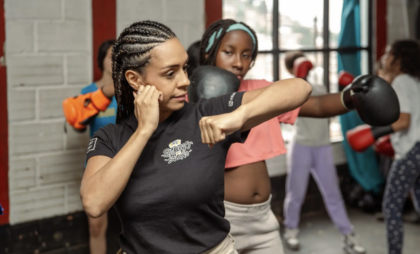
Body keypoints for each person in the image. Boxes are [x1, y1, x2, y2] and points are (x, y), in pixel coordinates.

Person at [80, 20, 313, 254]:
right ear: (135, 80)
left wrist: (239, 116)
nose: (185, 81)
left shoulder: (204, 113)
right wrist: (144, 131)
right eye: (170, 73)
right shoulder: (110, 137)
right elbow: (94, 203)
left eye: (185, 68)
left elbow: (299, 89)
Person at [198, 19, 397, 254]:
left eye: (246, 55)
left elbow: (317, 106)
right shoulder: (197, 99)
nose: (238, 62)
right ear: (211, 52)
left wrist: (352, 97)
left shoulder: (260, 90)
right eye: (229, 52)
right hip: (223, 217)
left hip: (264, 218)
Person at [282, 51, 365, 253]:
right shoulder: (288, 89)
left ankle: (347, 235)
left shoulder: (319, 87)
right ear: (292, 69)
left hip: (323, 147)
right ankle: (290, 229)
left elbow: (329, 105)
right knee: (295, 193)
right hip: (301, 146)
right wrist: (298, 79)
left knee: (333, 194)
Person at [347, 40, 420, 254]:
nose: (384, 56)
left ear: (400, 60)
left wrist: (372, 133)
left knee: (390, 207)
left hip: (412, 151)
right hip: (417, 148)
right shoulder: (415, 80)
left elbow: (403, 121)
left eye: (388, 53)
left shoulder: (402, 81)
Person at [79, 39, 116, 254]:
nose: (115, 61)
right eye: (111, 56)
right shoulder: (89, 92)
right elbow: (78, 125)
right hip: (98, 166)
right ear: (101, 60)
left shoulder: (129, 91)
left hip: (127, 165)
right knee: (96, 226)